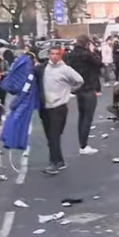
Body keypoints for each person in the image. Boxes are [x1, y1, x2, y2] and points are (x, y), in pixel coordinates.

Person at [34, 46, 84, 175]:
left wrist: (71, 90)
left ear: (60, 55)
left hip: (59, 108)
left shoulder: (66, 70)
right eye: (52, 54)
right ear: (49, 55)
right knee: (50, 138)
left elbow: (79, 80)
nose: (54, 56)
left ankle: (53, 163)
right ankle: (60, 161)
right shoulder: (43, 68)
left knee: (54, 136)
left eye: (57, 54)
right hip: (45, 107)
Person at [66, 35, 102, 156]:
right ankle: (83, 145)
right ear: (87, 43)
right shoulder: (87, 55)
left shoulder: (71, 55)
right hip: (89, 86)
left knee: (81, 117)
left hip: (78, 88)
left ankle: (82, 143)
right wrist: (93, 51)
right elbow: (99, 63)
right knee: (88, 117)